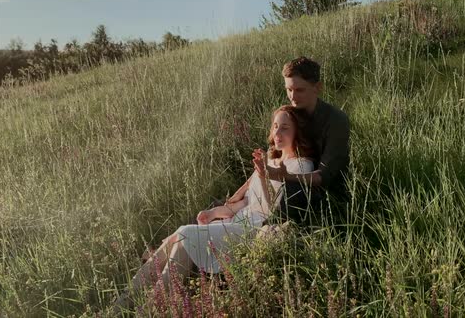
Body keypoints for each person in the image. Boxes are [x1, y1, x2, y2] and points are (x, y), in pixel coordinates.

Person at [113, 105, 315, 312]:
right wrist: (213, 213)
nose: (277, 133)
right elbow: (245, 202)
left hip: (255, 230)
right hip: (238, 222)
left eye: (285, 128)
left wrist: (264, 175)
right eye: (275, 127)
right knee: (180, 244)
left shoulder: (301, 166)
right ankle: (126, 302)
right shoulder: (271, 159)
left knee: (184, 233)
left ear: (298, 131)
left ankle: (142, 309)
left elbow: (273, 212)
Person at [253, 56, 350, 226]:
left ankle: (272, 233)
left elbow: (323, 177)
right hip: (288, 184)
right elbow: (273, 154)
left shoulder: (336, 120)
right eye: (289, 90)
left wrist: (285, 176)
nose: (293, 97)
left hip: (326, 194)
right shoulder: (292, 114)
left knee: (291, 187)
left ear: (317, 88)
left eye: (299, 90)